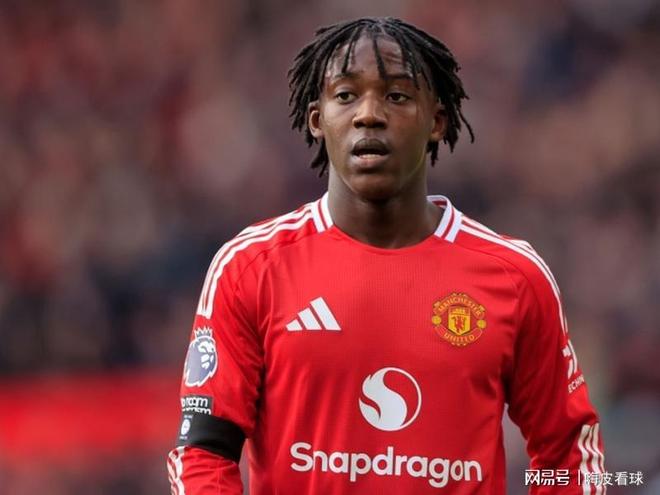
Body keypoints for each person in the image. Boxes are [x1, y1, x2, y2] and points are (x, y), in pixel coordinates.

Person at [167, 17, 605, 494]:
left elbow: (569, 455)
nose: (369, 114)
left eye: (396, 96)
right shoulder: (251, 268)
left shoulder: (514, 277)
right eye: (345, 95)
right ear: (317, 120)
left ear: (436, 121)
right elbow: (203, 453)